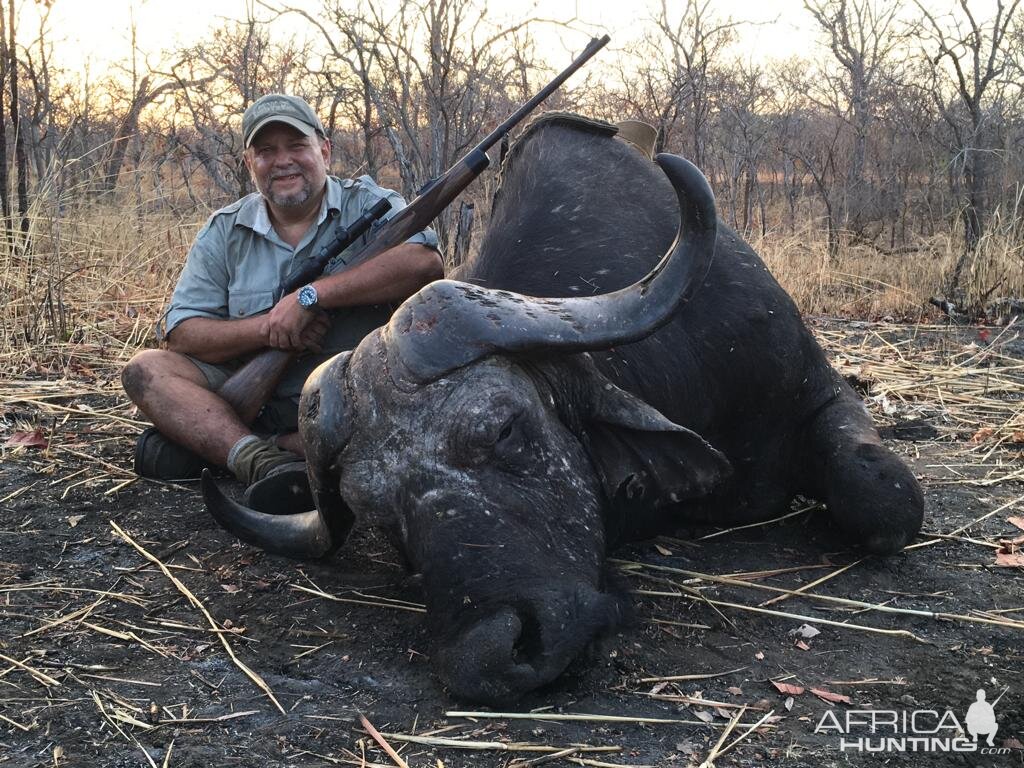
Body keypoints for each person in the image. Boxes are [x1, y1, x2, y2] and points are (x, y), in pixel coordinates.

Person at [122, 94, 443, 502]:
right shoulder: (224, 230)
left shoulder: (370, 203)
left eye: (296, 146)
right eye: (266, 151)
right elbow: (183, 333)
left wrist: (312, 296)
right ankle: (258, 459)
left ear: (324, 150)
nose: (283, 161)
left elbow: (424, 264)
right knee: (146, 369)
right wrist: (270, 329)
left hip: (348, 397)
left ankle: (237, 444)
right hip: (251, 393)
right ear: (248, 164)